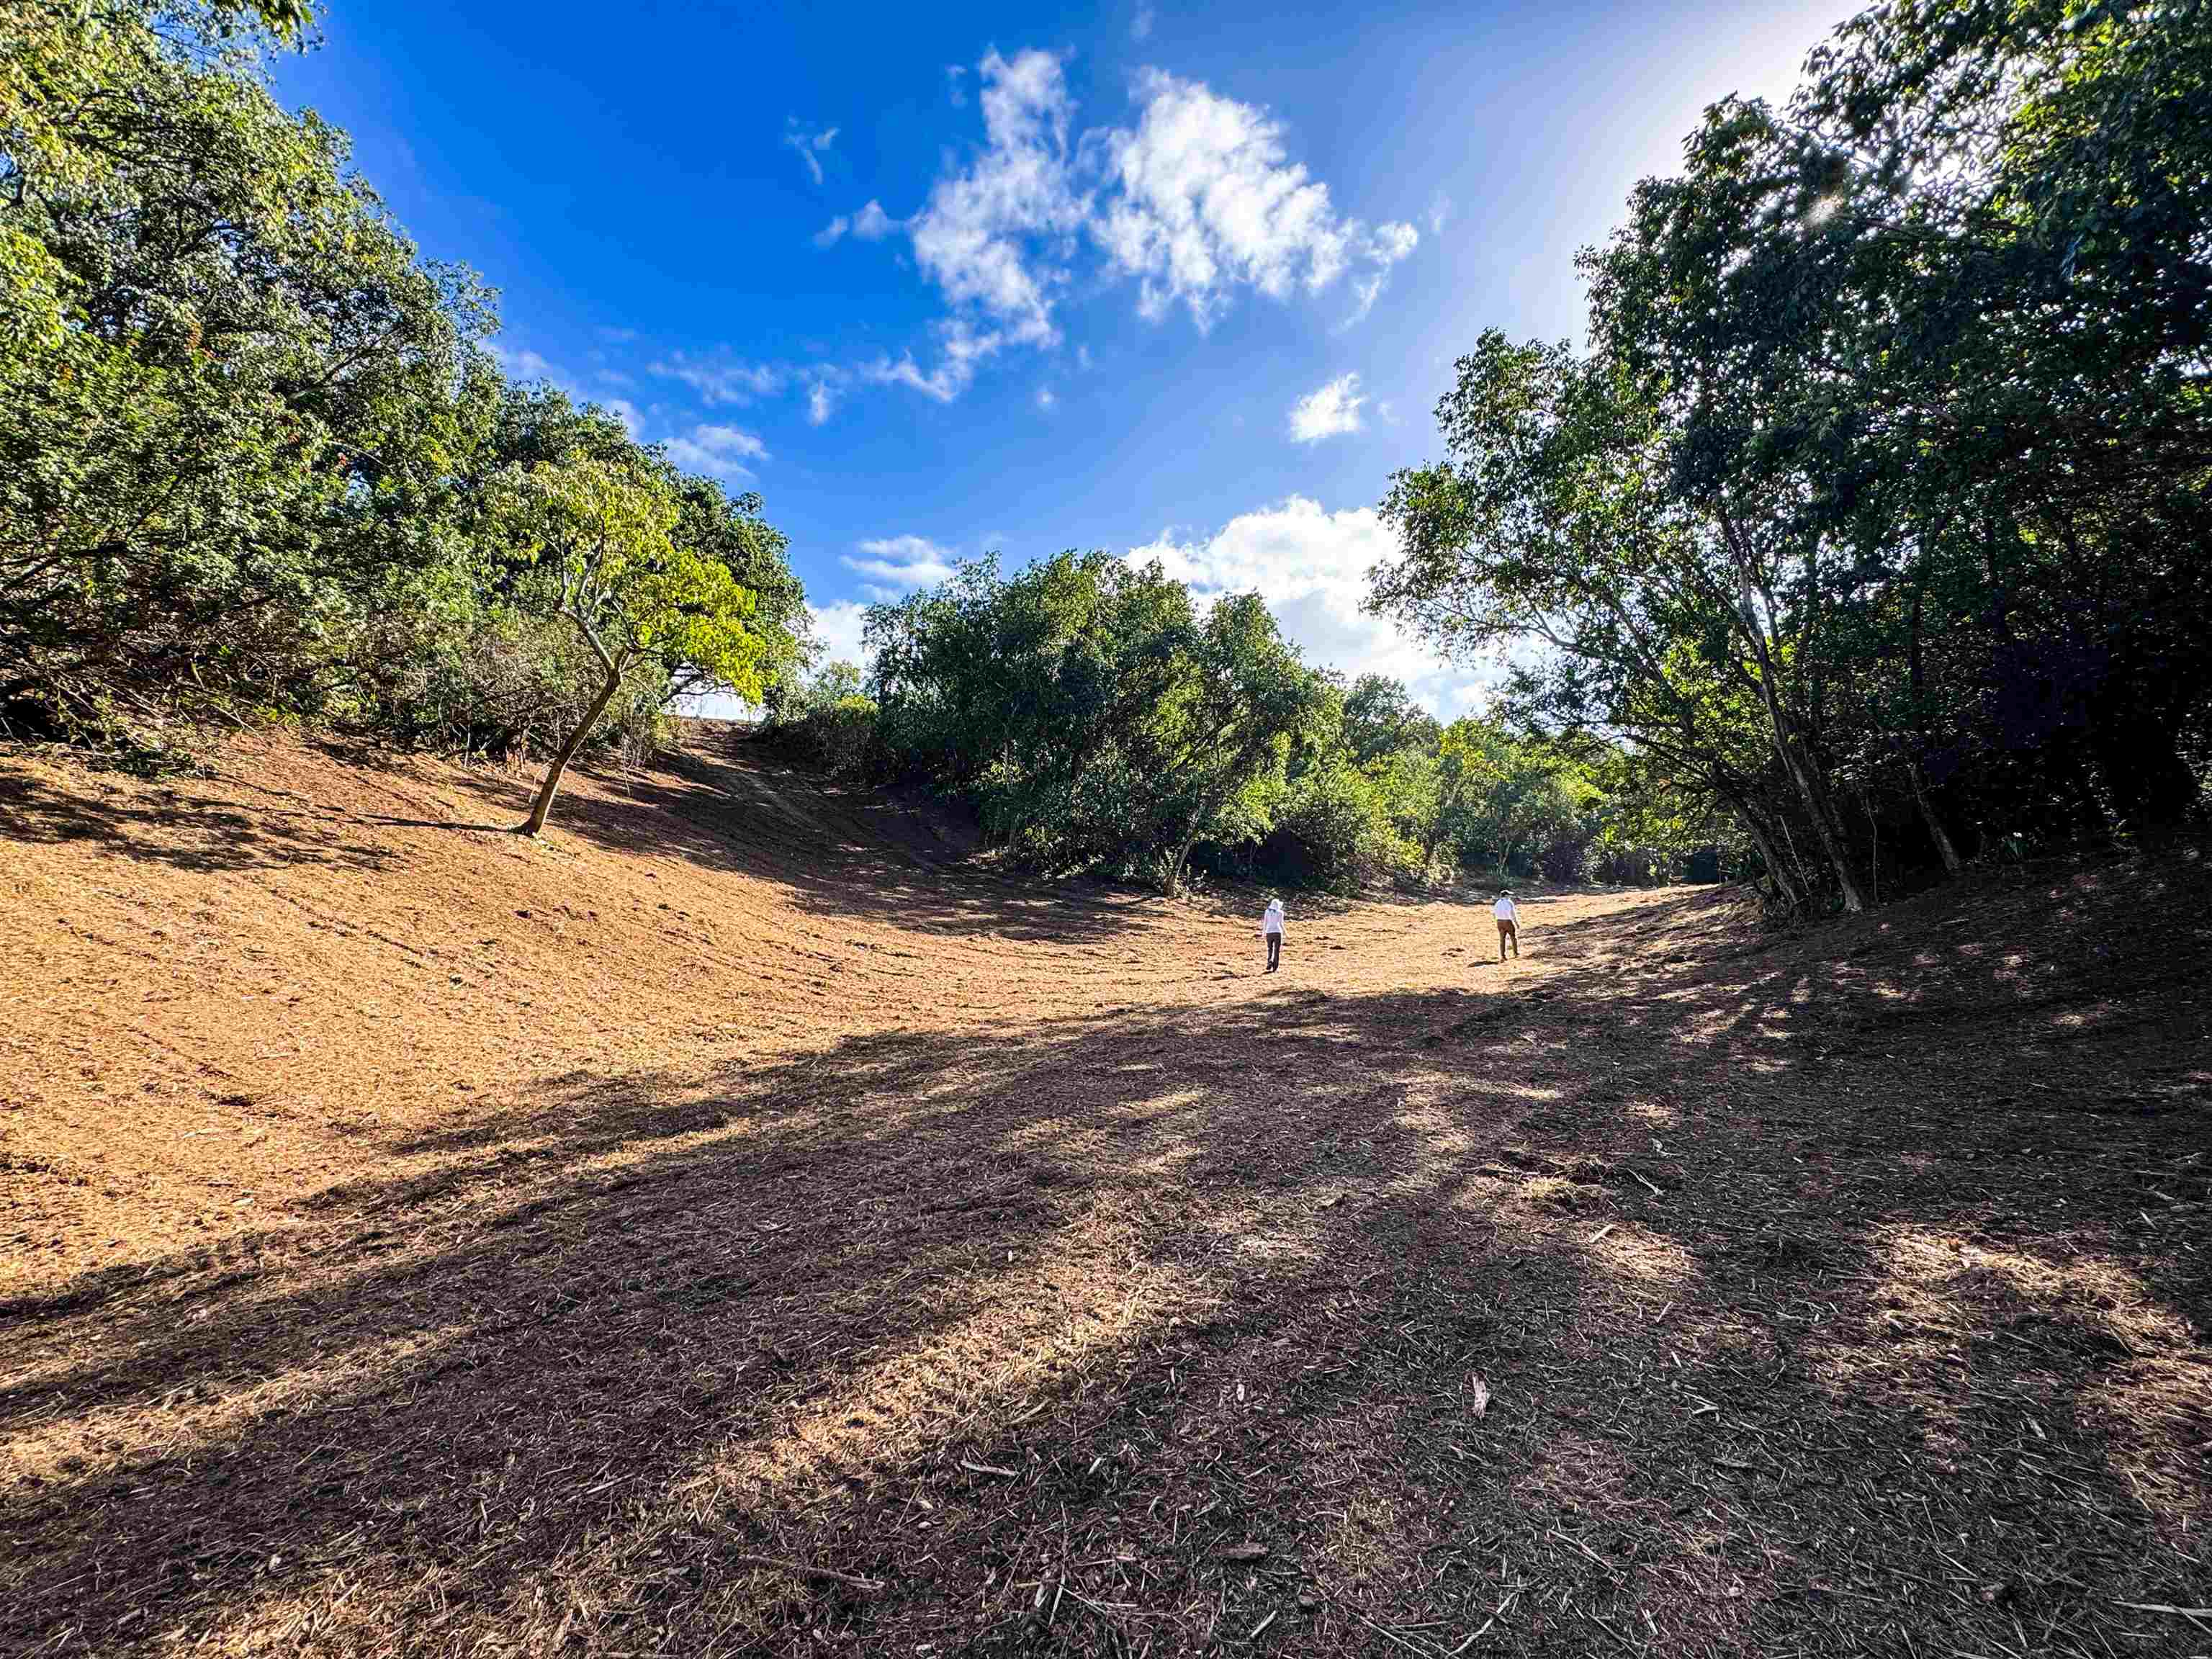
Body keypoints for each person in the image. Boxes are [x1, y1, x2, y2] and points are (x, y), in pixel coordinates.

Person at [1493, 889, 1520, 962]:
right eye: (1509, 895)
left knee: (1502, 939)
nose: (1510, 896)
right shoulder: (1509, 902)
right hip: (1507, 921)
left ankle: (1503, 956)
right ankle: (1515, 953)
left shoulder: (1498, 902)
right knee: (1513, 937)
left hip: (1499, 922)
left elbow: (1494, 913)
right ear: (1506, 895)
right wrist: (1516, 923)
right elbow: (1513, 914)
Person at [1260, 895, 1285, 973]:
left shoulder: (1267, 911)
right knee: (1277, 950)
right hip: (1278, 932)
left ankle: (1269, 961)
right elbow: (1281, 924)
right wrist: (1286, 933)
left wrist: (1263, 933)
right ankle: (1275, 967)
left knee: (1270, 949)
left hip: (1269, 932)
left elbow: (1265, 923)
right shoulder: (1281, 912)